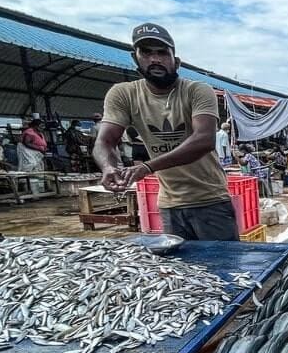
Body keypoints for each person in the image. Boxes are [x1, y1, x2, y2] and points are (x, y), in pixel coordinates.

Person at [94, 22, 238, 241]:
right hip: (169, 204)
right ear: (135, 58)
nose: (155, 59)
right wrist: (108, 167)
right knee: (180, 270)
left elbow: (203, 140)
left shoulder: (197, 91)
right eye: (147, 53)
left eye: (162, 53)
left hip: (211, 200)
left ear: (176, 61)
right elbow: (105, 140)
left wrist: (148, 167)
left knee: (224, 267)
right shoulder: (123, 94)